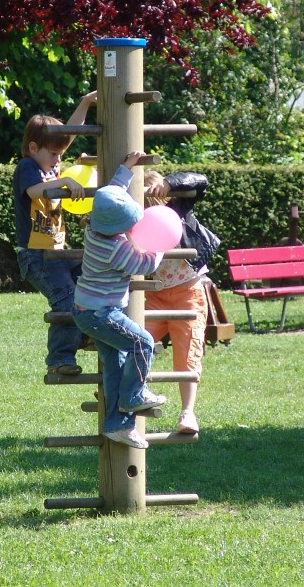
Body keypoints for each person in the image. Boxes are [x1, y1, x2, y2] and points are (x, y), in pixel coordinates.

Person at [72, 152, 166, 449]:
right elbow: (146, 264)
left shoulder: (94, 227)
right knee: (143, 343)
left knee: (116, 363)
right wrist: (160, 241)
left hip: (87, 311)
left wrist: (126, 168)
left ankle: (118, 425)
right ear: (118, 229)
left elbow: (112, 190)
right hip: (101, 314)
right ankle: (134, 396)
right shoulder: (115, 250)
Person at [13, 91, 97, 376]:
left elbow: (68, 135)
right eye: (54, 154)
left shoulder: (51, 164)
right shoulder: (28, 166)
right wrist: (63, 181)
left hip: (59, 254)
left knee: (93, 283)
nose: (59, 159)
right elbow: (34, 192)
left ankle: (85, 334)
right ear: (33, 148)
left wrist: (85, 102)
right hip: (36, 256)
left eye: (61, 155)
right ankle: (59, 360)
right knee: (65, 299)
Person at [143, 169, 220, 435]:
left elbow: (201, 180)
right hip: (154, 292)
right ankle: (128, 391)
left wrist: (170, 183)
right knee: (134, 340)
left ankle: (187, 412)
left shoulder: (179, 208)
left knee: (188, 351)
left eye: (155, 199)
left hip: (187, 291)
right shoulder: (136, 217)